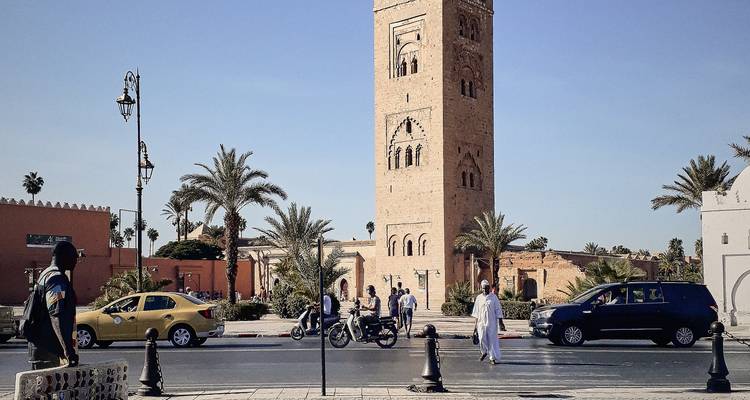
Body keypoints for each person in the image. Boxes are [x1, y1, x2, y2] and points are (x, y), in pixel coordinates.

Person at [27, 241, 79, 370]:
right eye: (74, 257)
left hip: (43, 346)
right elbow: (56, 315)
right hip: (48, 349)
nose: (76, 261)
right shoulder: (56, 280)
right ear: (63, 256)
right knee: (47, 388)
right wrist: (67, 350)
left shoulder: (45, 274)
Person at [472, 279, 503, 365]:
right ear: (481, 288)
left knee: (492, 340)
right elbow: (476, 313)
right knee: (481, 338)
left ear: (489, 288)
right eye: (483, 288)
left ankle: (492, 357)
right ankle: (484, 351)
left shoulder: (494, 297)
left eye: (486, 288)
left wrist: (501, 322)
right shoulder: (479, 298)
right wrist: (475, 327)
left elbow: (498, 310)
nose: (485, 290)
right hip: (481, 322)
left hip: (492, 322)